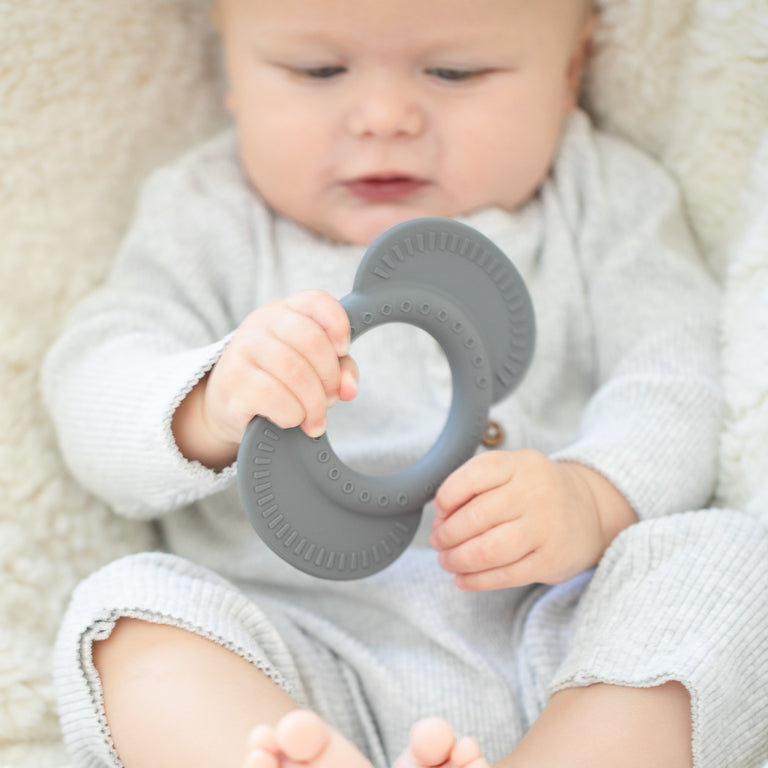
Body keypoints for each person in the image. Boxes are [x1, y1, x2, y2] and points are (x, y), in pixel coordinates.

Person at [43, 0, 762, 766]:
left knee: (729, 564)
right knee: (123, 615)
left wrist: (590, 497)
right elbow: (93, 379)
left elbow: (677, 373)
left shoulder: (604, 195)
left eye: (455, 72)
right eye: (317, 70)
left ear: (571, 70)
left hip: (567, 642)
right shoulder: (204, 218)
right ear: (229, 61)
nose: (383, 117)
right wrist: (210, 401)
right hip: (296, 656)